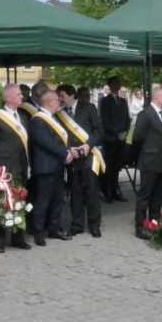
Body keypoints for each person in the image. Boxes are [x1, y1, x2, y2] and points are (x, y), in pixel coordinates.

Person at [0, 84, 32, 253]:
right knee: (1, 204)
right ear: (8, 97)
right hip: (3, 169)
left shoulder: (23, 116)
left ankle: (18, 238)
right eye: (18, 94)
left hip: (21, 166)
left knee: (19, 203)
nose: (22, 97)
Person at [27, 90, 74, 246]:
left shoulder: (53, 118)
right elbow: (47, 142)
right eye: (57, 100)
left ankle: (55, 229)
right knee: (43, 200)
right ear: (49, 102)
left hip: (57, 165)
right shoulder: (38, 120)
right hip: (45, 166)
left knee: (57, 199)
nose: (59, 102)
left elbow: (62, 138)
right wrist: (65, 154)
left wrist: (68, 151)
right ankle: (38, 232)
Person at [56, 83, 103, 238]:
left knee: (91, 191)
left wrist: (88, 145)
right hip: (73, 157)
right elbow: (59, 136)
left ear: (71, 95)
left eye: (62, 96)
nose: (60, 99)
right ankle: (77, 224)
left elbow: (98, 130)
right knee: (75, 191)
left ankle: (94, 225)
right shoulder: (60, 114)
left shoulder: (89, 108)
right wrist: (69, 148)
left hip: (89, 156)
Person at [132, 85, 162, 238]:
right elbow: (137, 137)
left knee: (158, 194)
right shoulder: (146, 114)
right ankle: (140, 226)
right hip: (149, 161)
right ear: (158, 97)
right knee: (145, 195)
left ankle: (154, 221)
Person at [99, 75, 130, 203]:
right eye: (116, 83)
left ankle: (115, 191)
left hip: (121, 139)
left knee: (117, 167)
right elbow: (105, 120)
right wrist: (117, 133)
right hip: (110, 139)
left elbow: (127, 118)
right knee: (109, 167)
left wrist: (126, 132)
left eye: (119, 83)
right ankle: (106, 192)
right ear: (110, 85)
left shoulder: (123, 101)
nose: (118, 85)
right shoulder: (105, 101)